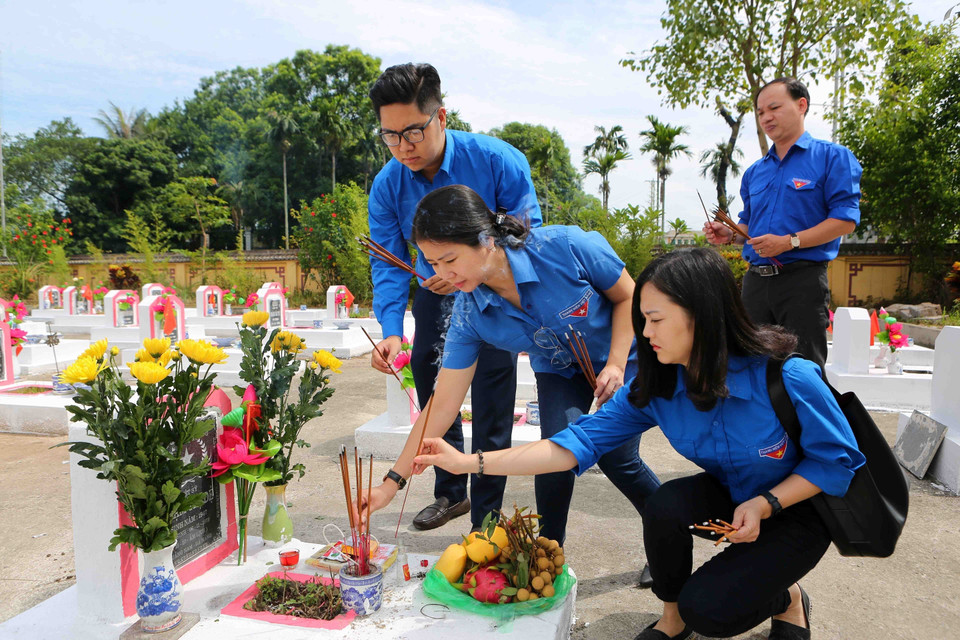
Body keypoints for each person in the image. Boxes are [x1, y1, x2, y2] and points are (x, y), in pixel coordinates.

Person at [414, 247, 865, 640]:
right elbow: (573, 444)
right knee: (665, 505)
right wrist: (469, 462)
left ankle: (786, 598)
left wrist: (767, 503)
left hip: (798, 508)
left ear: (702, 314)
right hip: (735, 495)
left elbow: (837, 462)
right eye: (641, 320)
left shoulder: (787, 376)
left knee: (709, 610)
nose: (644, 334)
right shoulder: (659, 385)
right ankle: (673, 618)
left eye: (654, 320)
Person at [360, 185, 661, 555]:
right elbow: (441, 407)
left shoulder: (564, 247)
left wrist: (615, 362)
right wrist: (390, 485)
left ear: (486, 239)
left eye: (450, 259)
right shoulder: (469, 313)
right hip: (560, 370)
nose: (444, 274)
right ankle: (548, 554)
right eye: (433, 263)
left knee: (616, 456)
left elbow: (629, 296)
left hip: (625, 354)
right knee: (556, 453)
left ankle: (665, 531)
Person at [367, 63, 542, 531]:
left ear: (440, 117)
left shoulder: (495, 160)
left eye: (413, 132)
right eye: (389, 136)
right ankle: (449, 492)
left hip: (493, 292)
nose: (403, 147)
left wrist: (475, 267)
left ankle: (486, 513)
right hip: (432, 290)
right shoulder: (387, 185)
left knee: (491, 393)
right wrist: (390, 332)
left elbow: (529, 233)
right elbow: (386, 260)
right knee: (430, 378)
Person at [704, 77, 862, 368]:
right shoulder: (755, 172)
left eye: (774, 107)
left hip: (801, 282)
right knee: (749, 367)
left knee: (803, 370)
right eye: (760, 112)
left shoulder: (832, 158)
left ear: (801, 105)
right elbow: (749, 229)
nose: (766, 117)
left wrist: (790, 242)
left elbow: (844, 221)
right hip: (755, 284)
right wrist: (730, 234)